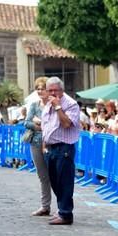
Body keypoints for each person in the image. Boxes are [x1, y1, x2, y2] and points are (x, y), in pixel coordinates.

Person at [41, 77, 81, 225]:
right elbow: (47, 126)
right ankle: (61, 210)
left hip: (64, 148)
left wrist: (58, 107)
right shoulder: (48, 104)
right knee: (55, 182)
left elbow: (66, 124)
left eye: (55, 90)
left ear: (62, 90)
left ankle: (66, 214)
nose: (52, 93)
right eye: (49, 90)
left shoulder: (70, 104)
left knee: (64, 182)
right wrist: (44, 146)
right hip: (50, 148)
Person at [24, 76, 52, 217]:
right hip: (35, 143)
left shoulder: (53, 104)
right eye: (38, 88)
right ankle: (45, 206)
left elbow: (54, 124)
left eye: (43, 88)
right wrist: (40, 125)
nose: (40, 91)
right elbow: (26, 123)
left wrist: (41, 123)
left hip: (52, 144)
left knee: (56, 176)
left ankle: (62, 208)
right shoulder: (34, 105)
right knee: (42, 176)